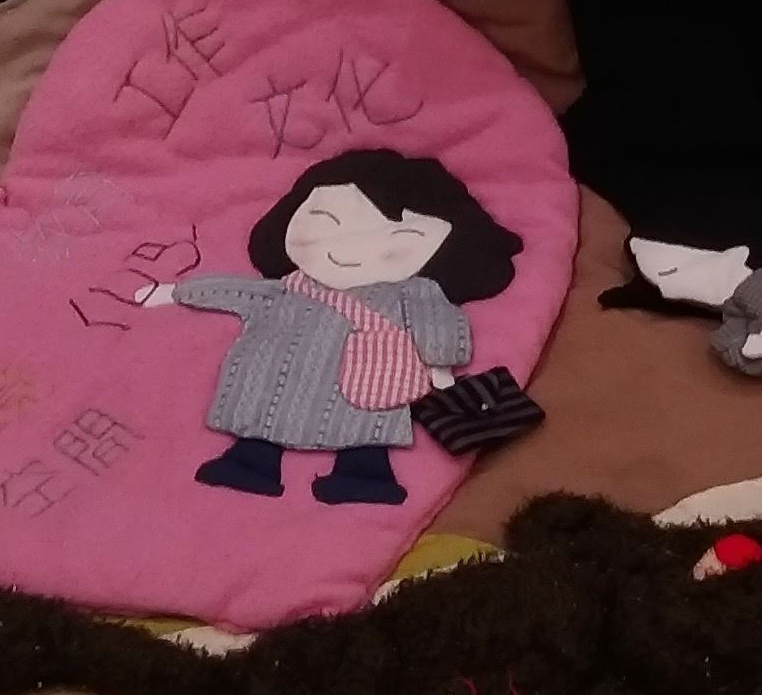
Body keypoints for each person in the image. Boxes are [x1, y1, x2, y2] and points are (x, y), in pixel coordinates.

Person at [143, 149, 525, 501]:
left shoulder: (413, 294)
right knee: (267, 413)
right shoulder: (289, 288)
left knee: (362, 423)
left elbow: (435, 321)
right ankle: (252, 463)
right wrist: (179, 291)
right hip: (286, 377)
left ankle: (363, 476)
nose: (347, 249)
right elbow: (239, 292)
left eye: (399, 242)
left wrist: (440, 362)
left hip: (366, 382)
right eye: (326, 222)